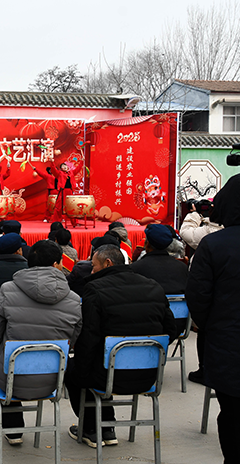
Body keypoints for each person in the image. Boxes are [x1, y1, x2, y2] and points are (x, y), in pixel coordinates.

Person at [66, 244, 176, 449]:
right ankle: (107, 428)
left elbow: (89, 338)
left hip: (108, 375)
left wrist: (80, 370)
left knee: (76, 370)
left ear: (107, 263)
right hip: (149, 375)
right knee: (97, 362)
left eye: (93, 266)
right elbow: (172, 329)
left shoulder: (95, 289)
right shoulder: (153, 286)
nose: (91, 271)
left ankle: (92, 428)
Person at [0, 240, 81, 445]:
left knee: (8, 356)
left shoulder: (8, 289)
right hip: (54, 379)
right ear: (56, 264)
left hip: (10, 377)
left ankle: (14, 431)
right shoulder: (74, 298)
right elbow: (74, 339)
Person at [186, 174, 240, 464]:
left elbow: (198, 297)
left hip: (229, 343)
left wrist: (211, 327)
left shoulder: (214, 245)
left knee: (232, 414)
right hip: (226, 337)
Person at [179, 200, 222, 385]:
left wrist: (195, 214)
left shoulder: (208, 233)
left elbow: (186, 232)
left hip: (211, 298)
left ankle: (204, 369)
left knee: (205, 332)